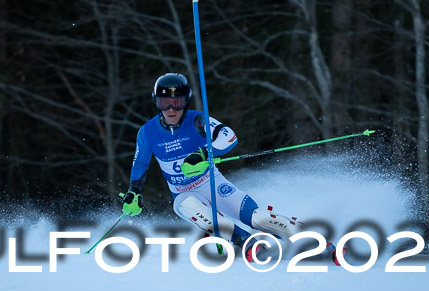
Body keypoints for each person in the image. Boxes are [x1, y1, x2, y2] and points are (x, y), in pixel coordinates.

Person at [121, 72, 340, 264]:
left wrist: (204, 154)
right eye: (164, 103)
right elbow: (140, 162)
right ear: (156, 103)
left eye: (176, 103)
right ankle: (245, 241)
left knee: (258, 218)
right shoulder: (147, 132)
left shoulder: (198, 121)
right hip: (183, 193)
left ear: (186, 101)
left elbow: (229, 137)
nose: (170, 109)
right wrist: (134, 192)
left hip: (213, 184)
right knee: (188, 207)